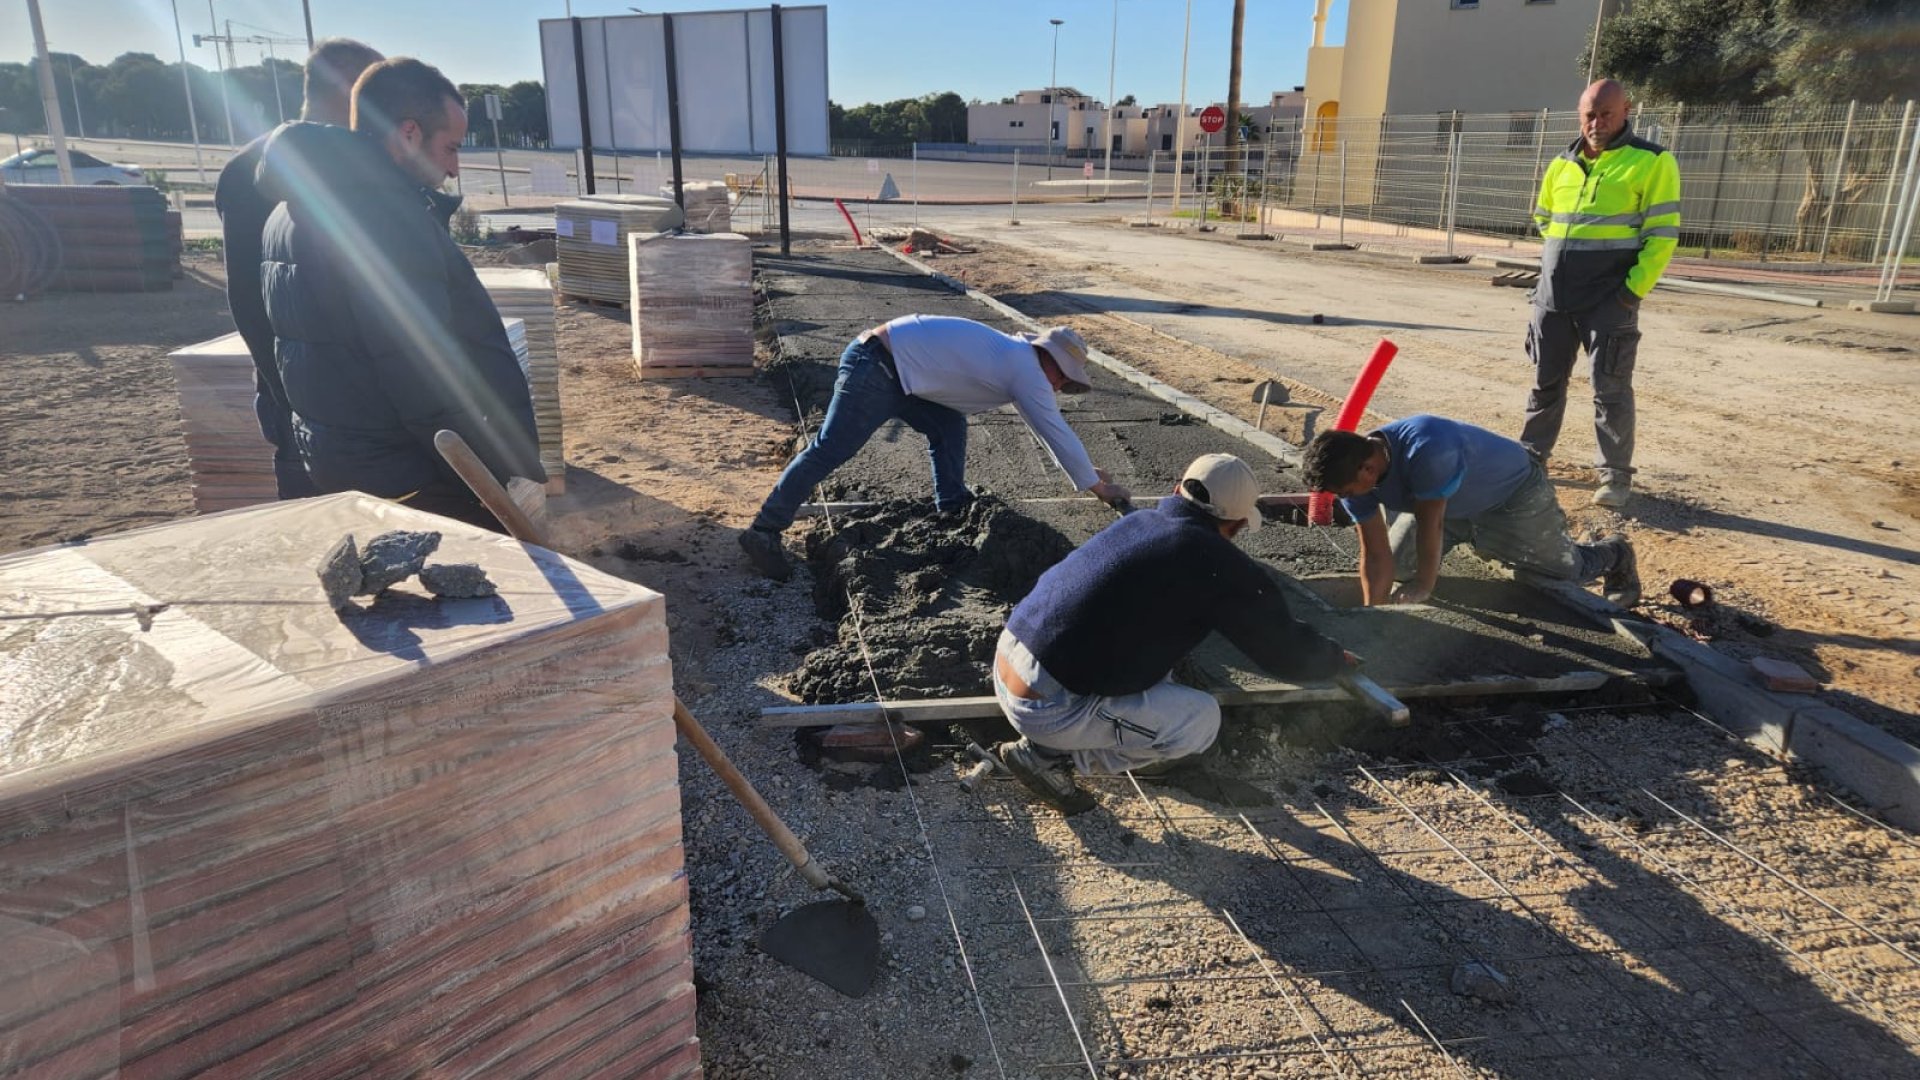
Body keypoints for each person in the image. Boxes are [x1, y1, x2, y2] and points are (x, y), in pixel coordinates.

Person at [256, 57, 543, 530]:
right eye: (450, 148)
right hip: (412, 472)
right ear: (409, 133)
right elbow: (421, 366)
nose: (454, 169)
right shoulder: (387, 218)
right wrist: (482, 468)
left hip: (341, 459)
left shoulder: (288, 210)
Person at [990, 454, 1352, 815]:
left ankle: (1057, 741)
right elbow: (1281, 648)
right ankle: (1048, 758)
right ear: (1238, 524)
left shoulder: (1141, 521)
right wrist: (1333, 659)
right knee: (1200, 720)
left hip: (1007, 658)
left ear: (1178, 490)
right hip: (1045, 708)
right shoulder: (1214, 561)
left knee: (1158, 658)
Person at [738, 316, 1133, 580]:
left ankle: (952, 508)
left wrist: (1087, 474)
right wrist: (1099, 488)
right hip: (876, 366)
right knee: (830, 449)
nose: (1060, 387)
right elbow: (1054, 431)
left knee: (947, 424)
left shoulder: (1017, 358)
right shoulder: (1026, 370)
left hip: (899, 370)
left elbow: (1047, 428)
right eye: (1063, 379)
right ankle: (764, 530)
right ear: (1050, 361)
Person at [215, 37, 383, 499]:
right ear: (348, 89)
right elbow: (249, 298)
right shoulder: (253, 171)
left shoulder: (358, 163)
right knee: (322, 516)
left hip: (364, 392)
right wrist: (290, 397)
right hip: (303, 396)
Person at [1520, 78, 1681, 510]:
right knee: (1544, 384)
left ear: (1626, 110)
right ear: (1580, 115)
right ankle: (1530, 461)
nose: (1597, 123)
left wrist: (1629, 293)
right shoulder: (1562, 163)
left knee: (1610, 390)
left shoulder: (1652, 161)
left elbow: (1662, 236)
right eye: (1589, 115)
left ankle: (1614, 477)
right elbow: (1544, 218)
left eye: (1606, 114)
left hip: (1609, 301)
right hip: (1554, 299)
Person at [1301, 416, 1641, 611]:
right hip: (1448, 506)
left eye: (1346, 492)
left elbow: (1431, 523)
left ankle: (1615, 553)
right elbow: (1376, 554)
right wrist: (1372, 615)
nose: (1345, 499)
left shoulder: (1427, 448)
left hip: (1513, 495)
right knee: (1401, 566)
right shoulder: (1353, 477)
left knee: (1565, 569)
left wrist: (1424, 586)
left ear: (1367, 468)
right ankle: (1480, 539)